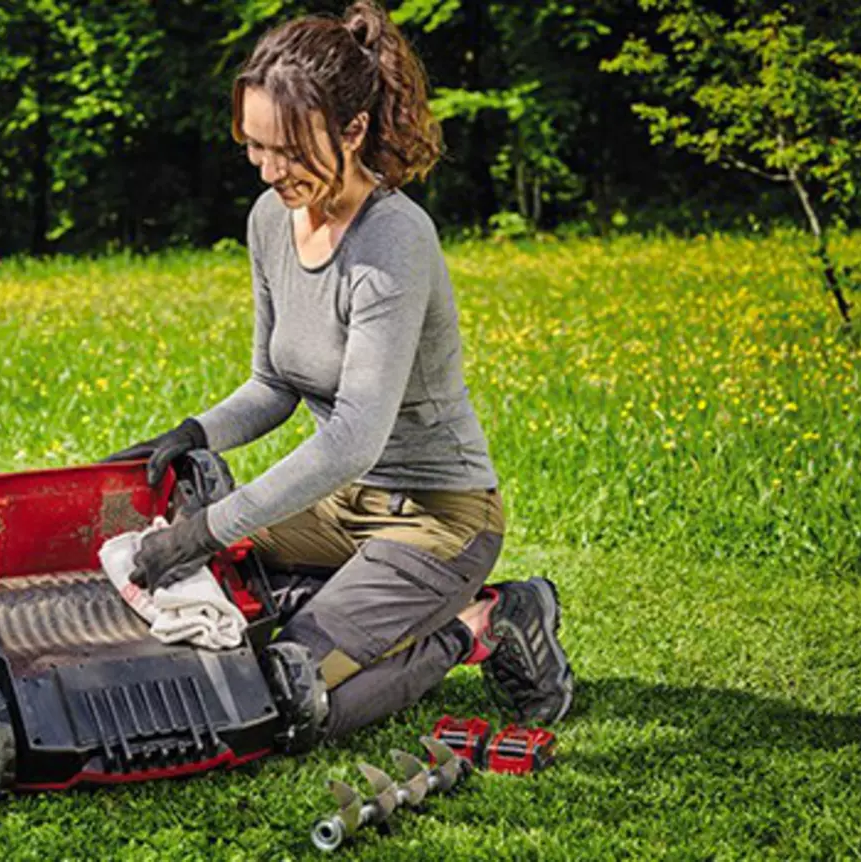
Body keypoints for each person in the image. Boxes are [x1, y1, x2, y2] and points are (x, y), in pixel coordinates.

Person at [104, 0, 573, 739]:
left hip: (435, 518)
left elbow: (354, 433)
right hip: (337, 507)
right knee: (226, 603)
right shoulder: (269, 219)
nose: (268, 169)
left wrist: (207, 533)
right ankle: (359, 609)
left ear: (352, 131)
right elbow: (273, 384)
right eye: (255, 147)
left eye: (287, 150)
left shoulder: (394, 239)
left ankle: (483, 620)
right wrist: (193, 432)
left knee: (283, 700)